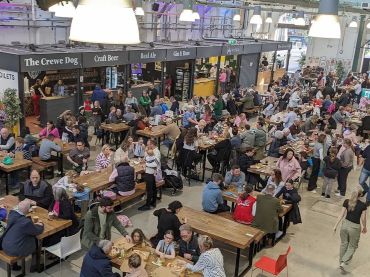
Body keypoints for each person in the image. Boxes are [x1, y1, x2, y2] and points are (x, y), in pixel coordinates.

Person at [1, 199, 44, 273]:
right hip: (15, 249)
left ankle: (15, 266)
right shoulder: (26, 222)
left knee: (19, 235)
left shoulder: (12, 214)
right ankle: (35, 266)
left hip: (5, 245)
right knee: (37, 242)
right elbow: (37, 231)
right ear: (27, 210)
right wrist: (41, 225)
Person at [333, 189, 367, 271]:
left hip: (344, 225)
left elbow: (341, 215)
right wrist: (364, 227)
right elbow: (363, 219)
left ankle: (341, 261)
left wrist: (335, 226)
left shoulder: (346, 201)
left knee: (344, 244)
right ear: (361, 195)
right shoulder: (363, 205)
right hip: (354, 227)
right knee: (352, 246)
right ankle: (344, 262)